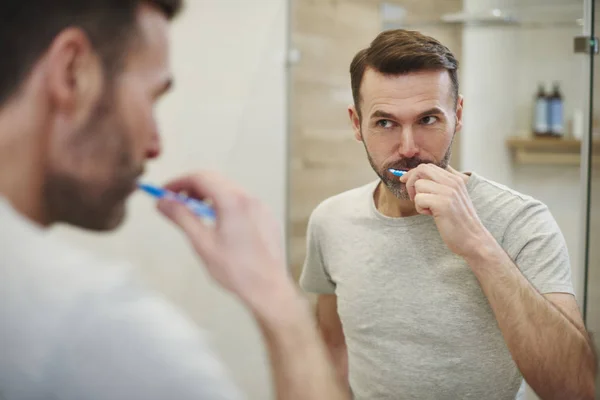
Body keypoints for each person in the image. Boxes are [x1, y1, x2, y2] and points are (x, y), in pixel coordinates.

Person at [0, 1, 349, 400]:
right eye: (152, 97)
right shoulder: (94, 329)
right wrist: (280, 303)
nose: (155, 145)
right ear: (72, 72)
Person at [300, 29, 597, 400]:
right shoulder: (330, 221)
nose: (408, 148)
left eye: (427, 120)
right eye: (385, 123)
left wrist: (478, 246)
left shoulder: (522, 220)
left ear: (457, 115)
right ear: (356, 123)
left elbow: (577, 389)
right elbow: (329, 347)